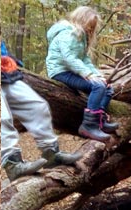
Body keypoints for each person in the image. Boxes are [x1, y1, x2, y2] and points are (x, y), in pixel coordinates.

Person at [0, 45, 81, 181]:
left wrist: (7, 57)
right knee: (3, 116)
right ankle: (12, 164)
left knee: (37, 105)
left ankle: (51, 154)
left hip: (6, 73)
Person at [46, 6, 118, 142]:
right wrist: (88, 75)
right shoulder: (68, 34)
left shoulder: (81, 37)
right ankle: (88, 126)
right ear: (81, 20)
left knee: (107, 87)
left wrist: (97, 74)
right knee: (98, 87)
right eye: (89, 25)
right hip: (60, 71)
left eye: (93, 27)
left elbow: (85, 60)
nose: (91, 29)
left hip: (71, 70)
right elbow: (69, 58)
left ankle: (100, 121)